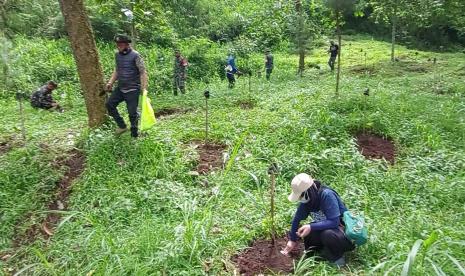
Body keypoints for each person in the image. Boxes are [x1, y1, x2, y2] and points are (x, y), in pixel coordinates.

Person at [281, 173, 355, 267]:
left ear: (308, 191)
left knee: (327, 234)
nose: (300, 199)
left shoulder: (327, 195)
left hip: (343, 234)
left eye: (300, 196)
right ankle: (317, 254)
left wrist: (311, 226)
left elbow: (334, 222)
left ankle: (338, 259)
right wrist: (292, 240)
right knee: (308, 231)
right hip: (330, 231)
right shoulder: (308, 200)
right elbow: (297, 219)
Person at [105, 35, 148, 138]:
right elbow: (117, 70)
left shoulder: (135, 55)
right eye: (117, 45)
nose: (118, 46)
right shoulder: (117, 55)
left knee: (132, 113)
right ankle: (122, 126)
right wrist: (110, 82)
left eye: (120, 44)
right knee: (109, 104)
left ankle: (134, 135)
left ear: (127, 44)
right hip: (121, 88)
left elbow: (143, 72)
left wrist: (144, 87)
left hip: (133, 89)